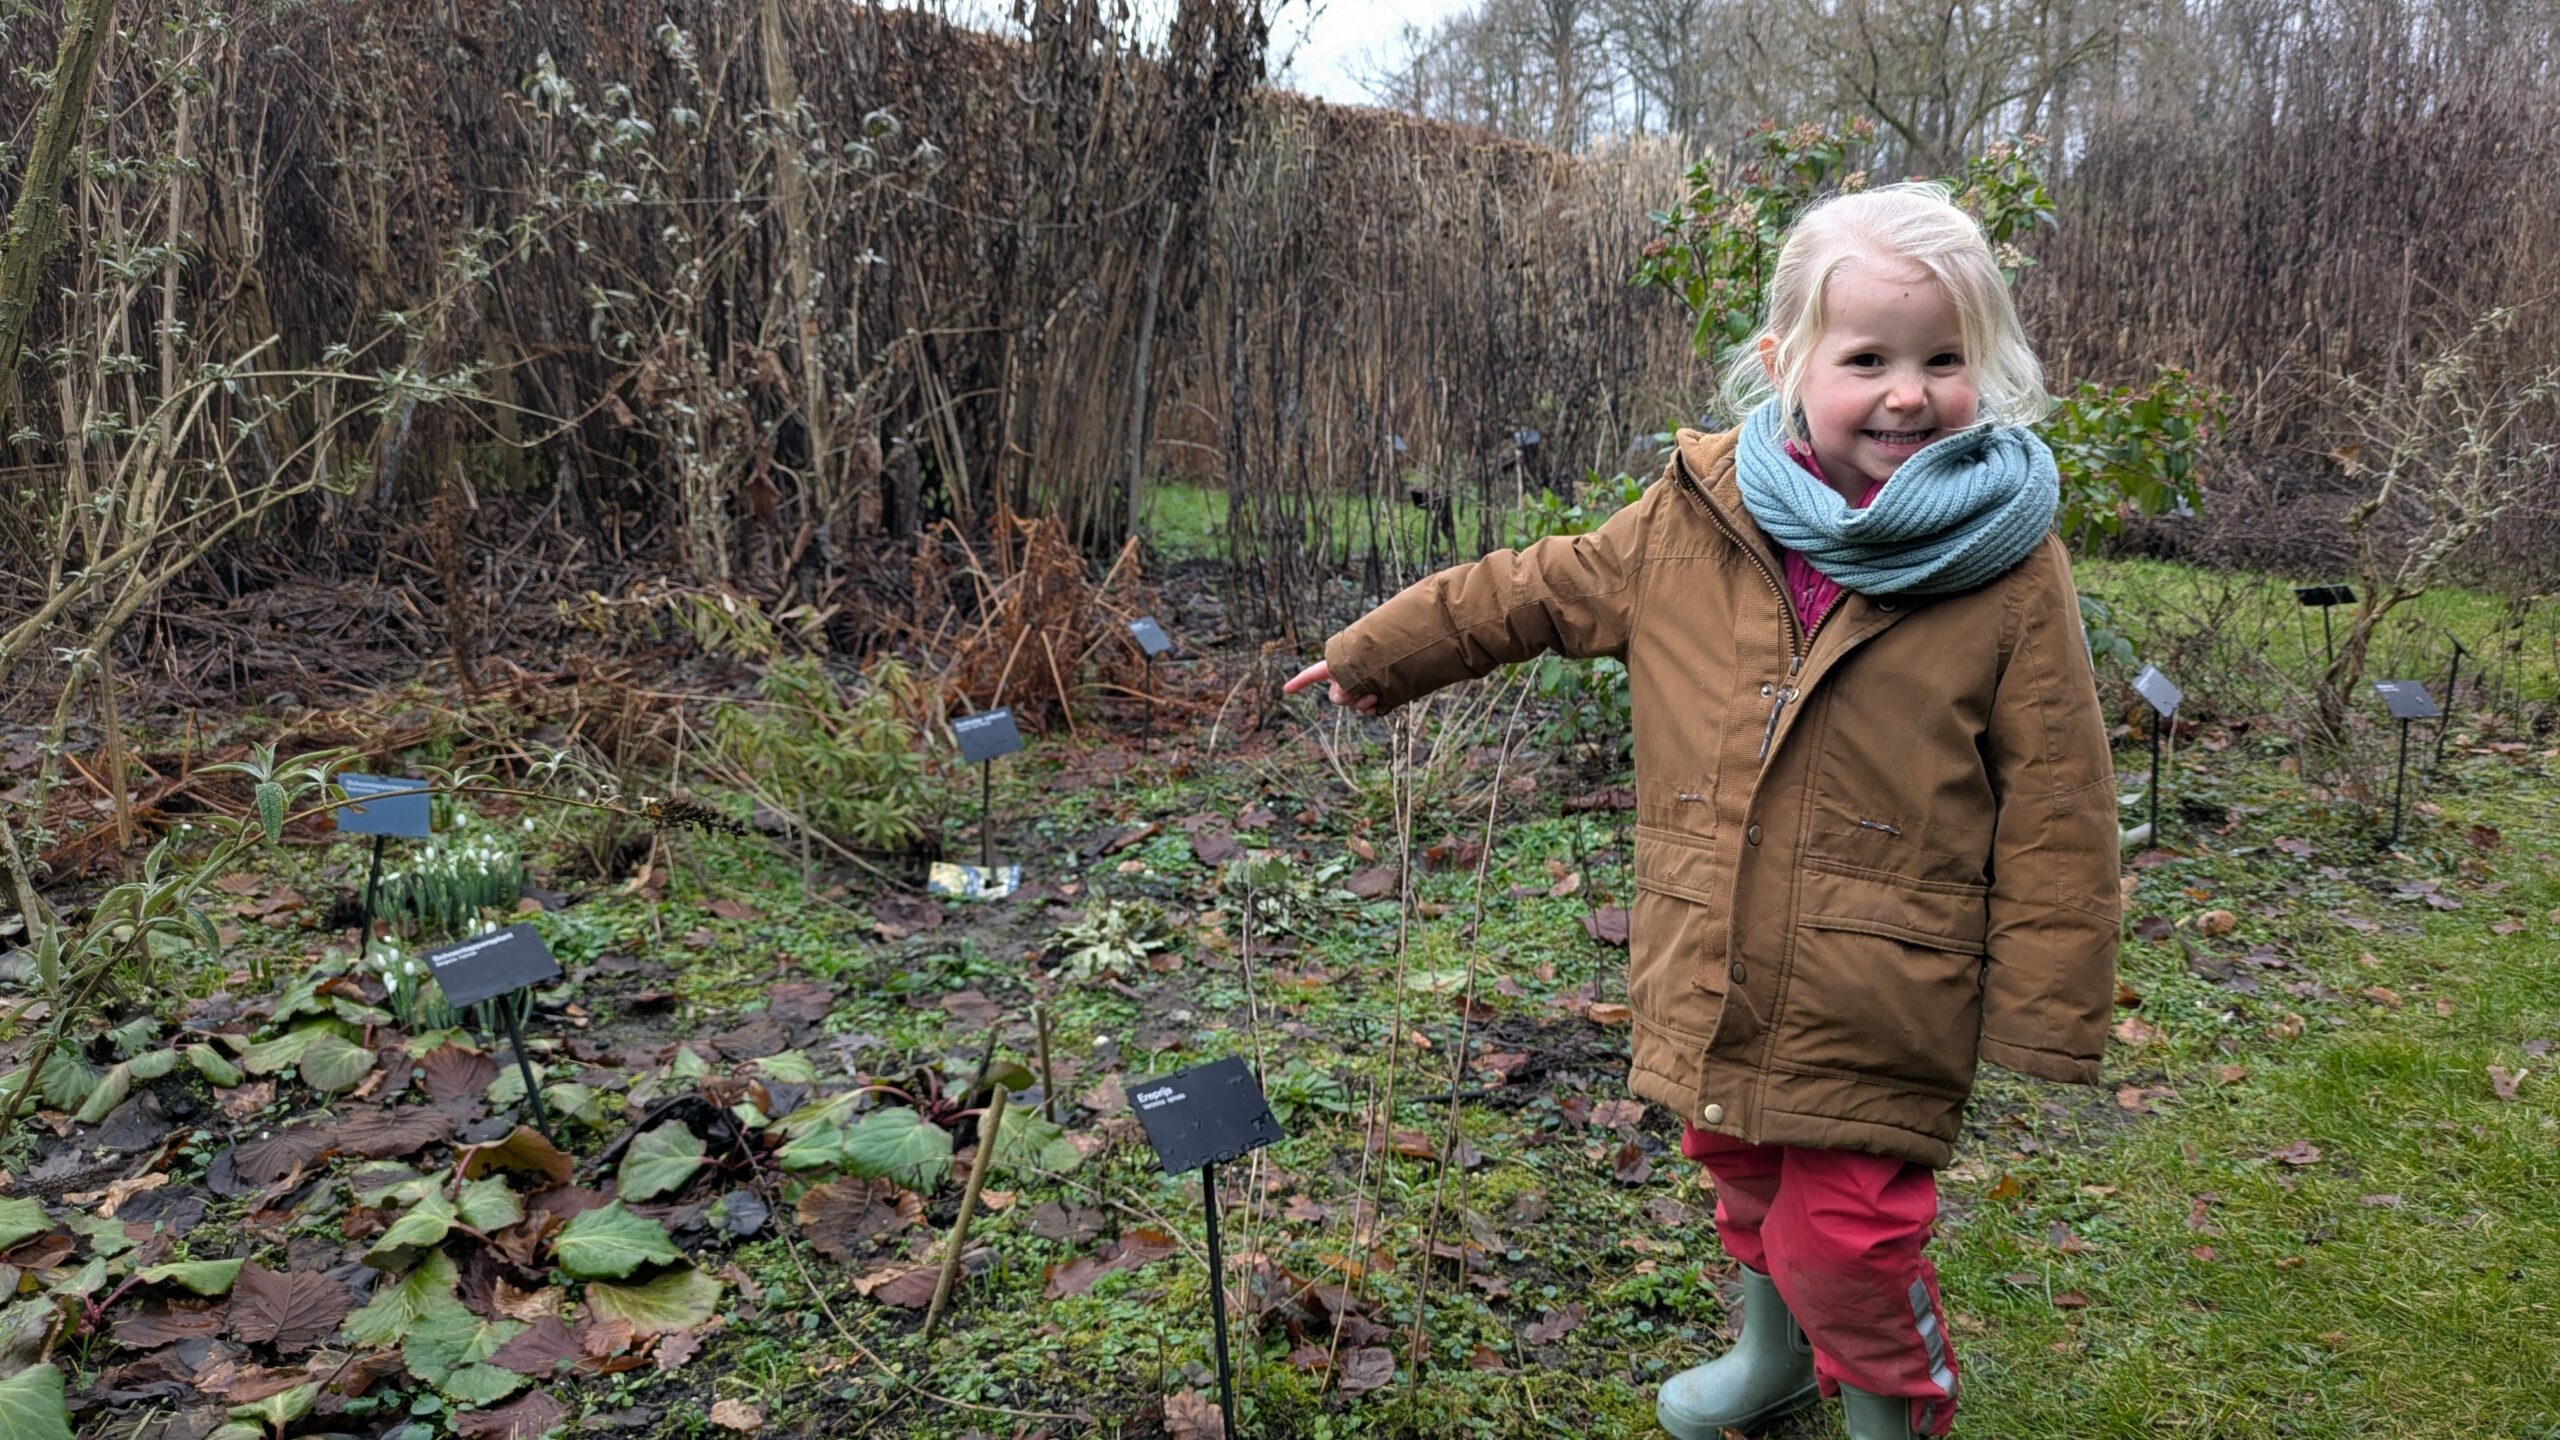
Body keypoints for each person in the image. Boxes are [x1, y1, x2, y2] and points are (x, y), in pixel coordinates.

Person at [1283, 181, 2119, 1439]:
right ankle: (1768, 1354)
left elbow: (2059, 791)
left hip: (1881, 980)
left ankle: (1895, 1412)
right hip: (1710, 948)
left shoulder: (2001, 558)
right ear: (1785, 362)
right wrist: (1376, 653)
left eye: (1945, 359)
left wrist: (2048, 1006)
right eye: (1868, 358)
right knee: (1739, 1177)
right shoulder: (1697, 514)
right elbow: (1534, 589)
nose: (1908, 392)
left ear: (1985, 366)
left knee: (1848, 1237)